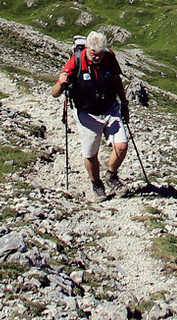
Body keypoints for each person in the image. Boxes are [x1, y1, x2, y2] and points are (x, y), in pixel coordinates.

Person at [51, 30, 131, 200]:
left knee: (122, 146)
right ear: (87, 48)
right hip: (87, 114)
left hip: (110, 109)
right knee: (91, 154)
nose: (97, 57)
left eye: (100, 54)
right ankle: (96, 184)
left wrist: (124, 104)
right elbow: (55, 93)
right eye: (94, 54)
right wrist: (61, 82)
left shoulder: (109, 57)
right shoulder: (76, 61)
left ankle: (111, 176)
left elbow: (117, 80)